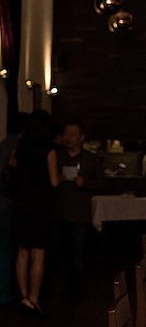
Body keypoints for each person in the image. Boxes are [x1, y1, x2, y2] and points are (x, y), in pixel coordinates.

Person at [49, 120, 104, 299]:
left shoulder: (91, 159)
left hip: (79, 215)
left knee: (76, 255)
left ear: (82, 137)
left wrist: (85, 183)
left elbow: (101, 184)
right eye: (66, 134)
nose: (68, 138)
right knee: (54, 253)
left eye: (73, 134)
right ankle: (52, 290)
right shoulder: (56, 157)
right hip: (57, 213)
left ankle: (74, 292)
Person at [12, 109, 54, 317]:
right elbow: (54, 181)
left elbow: (12, 172)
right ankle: (34, 298)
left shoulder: (21, 147)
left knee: (22, 253)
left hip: (22, 204)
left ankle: (24, 297)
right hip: (41, 206)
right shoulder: (49, 151)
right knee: (38, 254)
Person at [0, 110, 27, 307]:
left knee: (8, 246)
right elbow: (3, 176)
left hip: (3, 200)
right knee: (6, 246)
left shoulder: (7, 143)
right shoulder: (11, 145)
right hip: (6, 202)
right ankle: (3, 293)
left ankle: (6, 291)